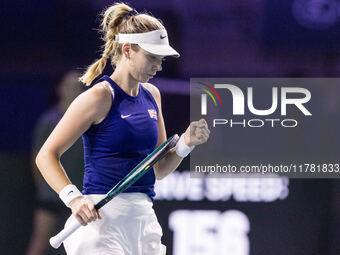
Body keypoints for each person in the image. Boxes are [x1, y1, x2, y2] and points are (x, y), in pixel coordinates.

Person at [35, 3, 210, 255]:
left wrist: (186, 143)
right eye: (152, 57)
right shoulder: (98, 97)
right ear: (128, 49)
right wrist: (73, 198)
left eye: (161, 59)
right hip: (101, 222)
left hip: (143, 221)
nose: (158, 66)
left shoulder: (153, 95)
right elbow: (46, 155)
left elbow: (158, 169)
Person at [26, 71, 85, 255]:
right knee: (40, 241)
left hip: (82, 195)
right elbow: (38, 157)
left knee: (81, 244)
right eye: (68, 86)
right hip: (51, 195)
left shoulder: (89, 119)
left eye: (77, 87)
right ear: (60, 89)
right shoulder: (48, 121)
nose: (72, 90)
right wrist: (45, 187)